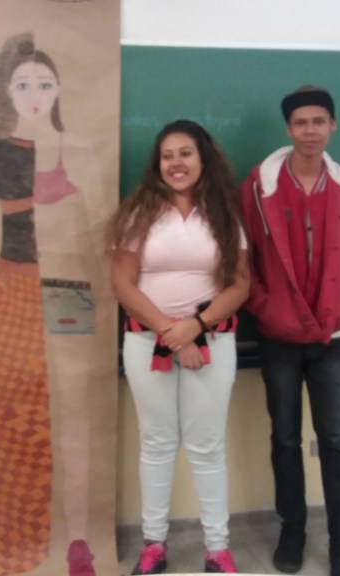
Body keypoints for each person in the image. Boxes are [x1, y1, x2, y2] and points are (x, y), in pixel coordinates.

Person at [0, 32, 112, 576]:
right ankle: (9, 542)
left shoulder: (81, 151)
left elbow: (103, 236)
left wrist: (112, 299)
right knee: (9, 410)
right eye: (22, 84)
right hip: (12, 288)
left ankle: (79, 541)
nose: (34, 95)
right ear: (6, 90)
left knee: (73, 411)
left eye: (45, 84)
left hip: (71, 292)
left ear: (60, 89)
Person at [239, 86, 340, 576]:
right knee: (284, 440)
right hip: (278, 338)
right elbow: (241, 254)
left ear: (332, 126)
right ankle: (292, 531)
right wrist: (266, 305)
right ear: (288, 129)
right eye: (300, 122)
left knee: (334, 441)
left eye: (319, 121)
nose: (310, 131)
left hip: (331, 339)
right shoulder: (260, 185)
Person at [107, 119, 249, 575]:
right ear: (158, 164)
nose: (176, 163)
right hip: (147, 342)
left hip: (213, 342)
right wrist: (172, 334)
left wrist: (195, 327)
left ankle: (217, 549)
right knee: (156, 442)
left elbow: (240, 285)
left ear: (203, 158)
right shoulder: (138, 214)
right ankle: (154, 545)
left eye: (185, 153)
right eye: (167, 156)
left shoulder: (224, 214)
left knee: (207, 446)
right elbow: (122, 284)